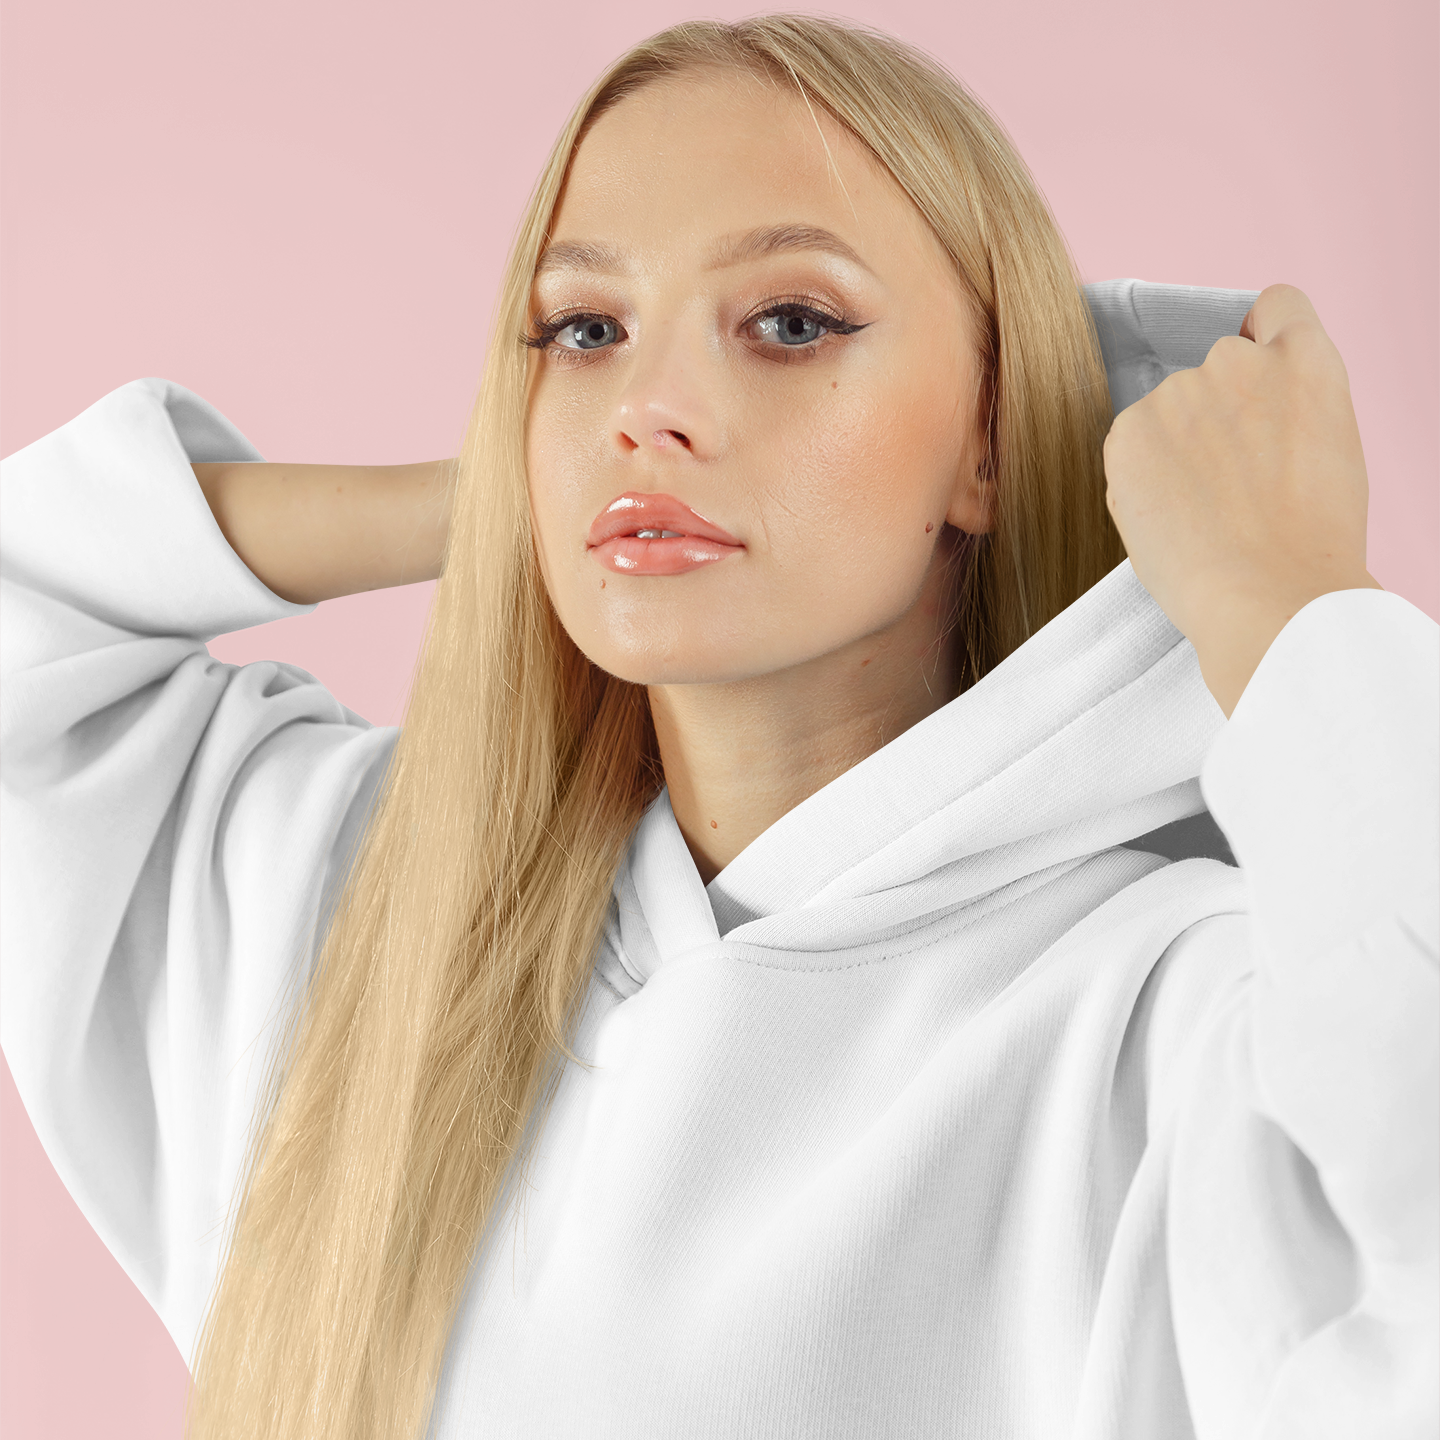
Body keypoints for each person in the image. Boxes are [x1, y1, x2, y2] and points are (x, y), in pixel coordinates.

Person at [1, 13, 1434, 1440]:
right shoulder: (376, 914)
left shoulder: (1170, 1014)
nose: (650, 409)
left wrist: (1286, 601)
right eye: (584, 332)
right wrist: (520, 507)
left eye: (793, 324)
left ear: (989, 438)